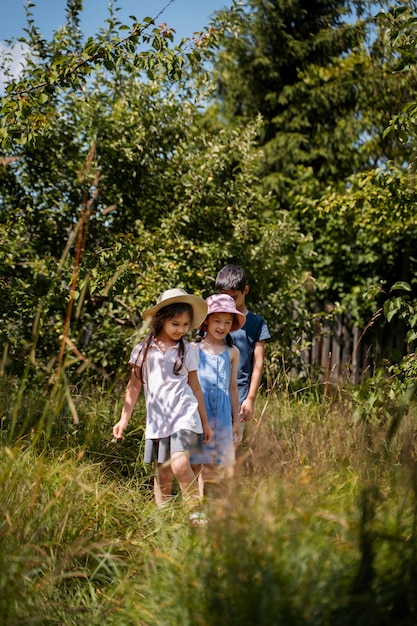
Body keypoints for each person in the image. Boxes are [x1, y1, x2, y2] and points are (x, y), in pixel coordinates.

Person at [112, 288, 213, 508]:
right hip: (158, 420)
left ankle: (196, 513)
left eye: (186, 325)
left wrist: (204, 422)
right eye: (175, 323)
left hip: (185, 415)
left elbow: (195, 388)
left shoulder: (188, 350)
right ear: (161, 319)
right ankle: (164, 522)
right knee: (163, 475)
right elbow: (134, 386)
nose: (181, 329)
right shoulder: (143, 350)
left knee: (179, 465)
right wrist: (123, 420)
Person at [190, 294, 246, 496]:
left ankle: (215, 509)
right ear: (206, 321)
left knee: (215, 466)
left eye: (227, 322)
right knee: (197, 465)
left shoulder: (232, 352)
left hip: (222, 415)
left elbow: (232, 387)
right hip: (198, 414)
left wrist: (236, 421)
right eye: (217, 320)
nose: (221, 326)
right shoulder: (193, 349)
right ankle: (194, 510)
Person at [215, 265, 271, 433]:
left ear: (245, 290)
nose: (228, 303)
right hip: (210, 393)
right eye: (223, 298)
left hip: (239, 395)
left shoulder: (257, 323)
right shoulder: (210, 320)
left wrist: (251, 399)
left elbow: (258, 363)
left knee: (233, 447)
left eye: (233, 297)